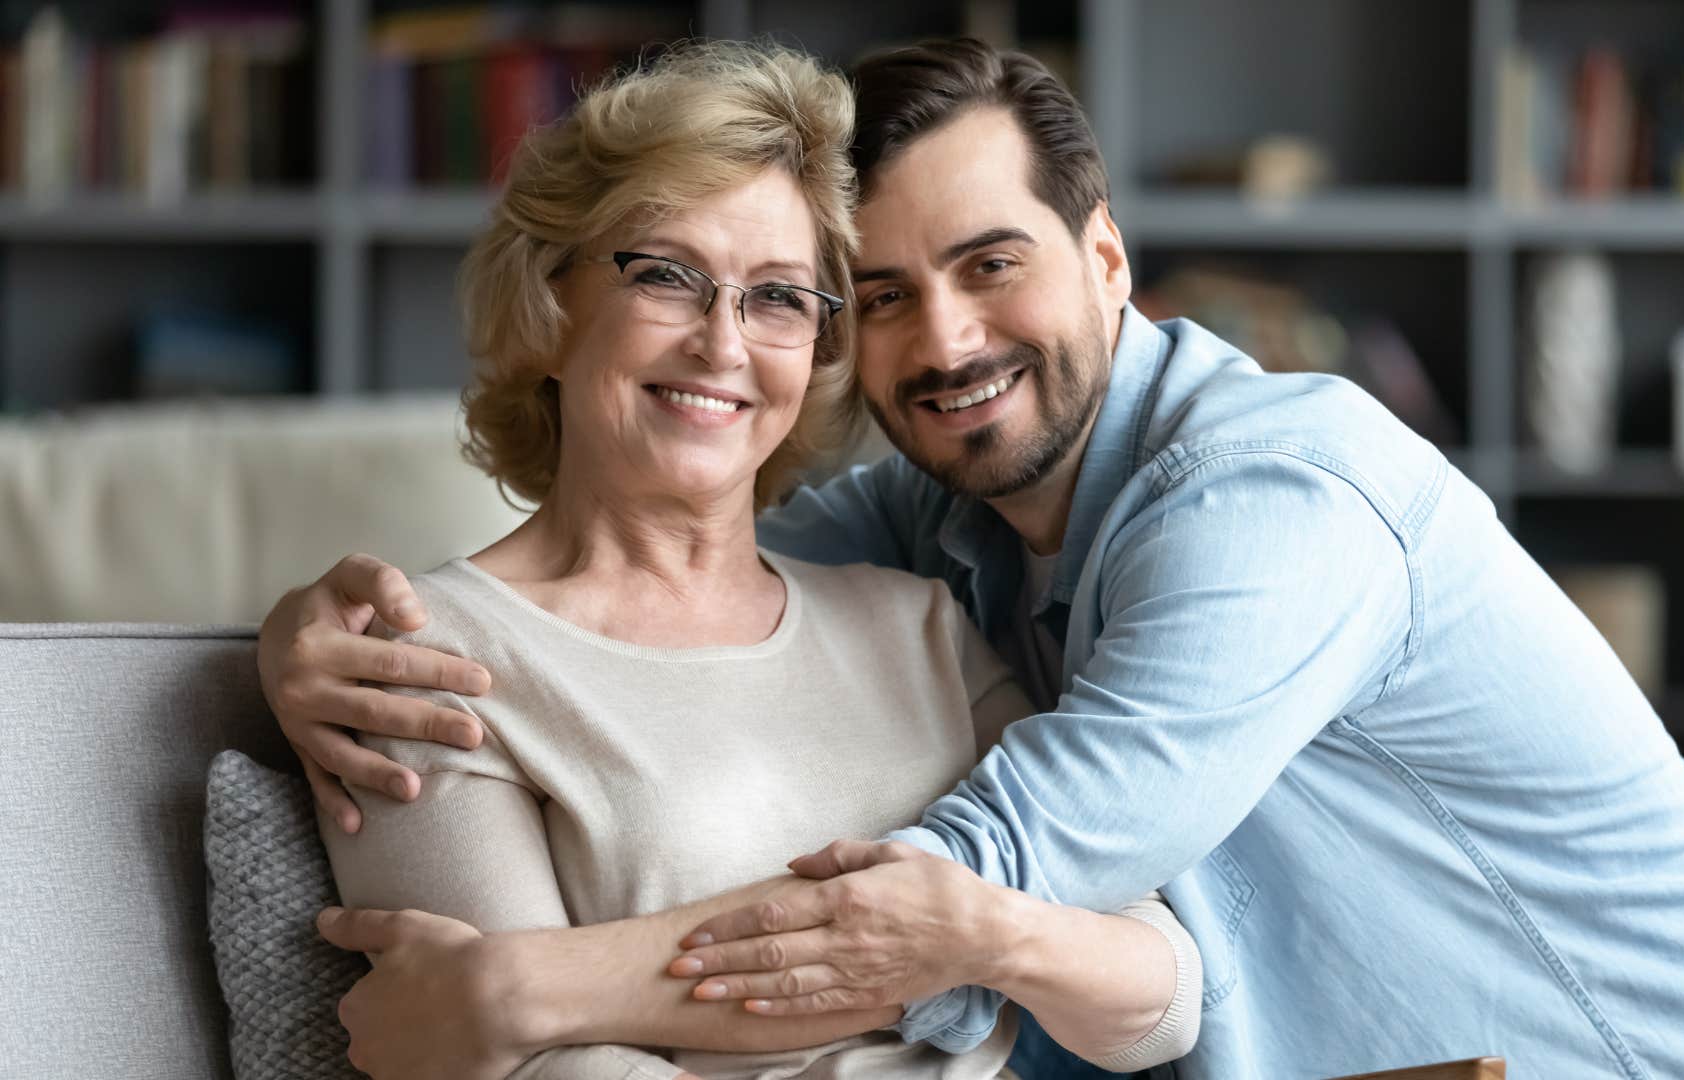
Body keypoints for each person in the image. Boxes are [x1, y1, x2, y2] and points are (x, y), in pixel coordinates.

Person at [265, 36, 1684, 1080]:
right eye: (881, 296)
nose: (945, 341)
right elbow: (663, 560)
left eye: (993, 264)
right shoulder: (945, 517)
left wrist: (525, 994)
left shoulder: (1274, 508)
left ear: (1109, 258)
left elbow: (951, 901)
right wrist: (290, 633)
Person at [306, 40, 1200, 1080]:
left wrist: (982, 936)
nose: (723, 345)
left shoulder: (914, 620)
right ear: (549, 306)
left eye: (778, 296)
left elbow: (1159, 1000)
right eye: (666, 275)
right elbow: (519, 1067)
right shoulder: (420, 661)